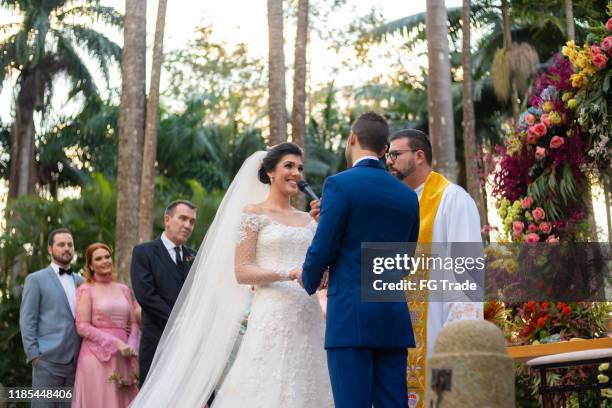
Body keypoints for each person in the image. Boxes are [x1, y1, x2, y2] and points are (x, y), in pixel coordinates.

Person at [130, 143, 333, 407]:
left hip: (309, 314)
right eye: (289, 166)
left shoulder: (309, 220)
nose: (297, 173)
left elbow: (318, 264)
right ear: (270, 172)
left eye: (300, 168)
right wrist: (289, 272)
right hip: (272, 313)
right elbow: (243, 271)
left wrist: (324, 263)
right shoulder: (254, 213)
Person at [299, 112, 420, 408]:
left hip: (351, 319)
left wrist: (310, 277)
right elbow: (405, 259)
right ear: (383, 150)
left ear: (352, 137)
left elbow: (322, 247)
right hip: (391, 317)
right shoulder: (407, 196)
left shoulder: (340, 185)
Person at [386, 129, 483, 407]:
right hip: (397, 334)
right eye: (387, 155)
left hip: (439, 328)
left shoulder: (452, 199)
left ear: (419, 156)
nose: (389, 161)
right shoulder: (393, 206)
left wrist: (459, 340)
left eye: (395, 154)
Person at [130, 199, 197, 387]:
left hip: (188, 345)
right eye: (183, 218)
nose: (187, 225)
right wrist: (178, 322)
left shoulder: (195, 256)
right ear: (167, 219)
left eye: (192, 221)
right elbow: (146, 296)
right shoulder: (143, 252)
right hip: (156, 342)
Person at [19, 228, 84, 408]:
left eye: (70, 245)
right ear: (50, 249)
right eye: (61, 244)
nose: (66, 248)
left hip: (75, 361)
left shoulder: (81, 282)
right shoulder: (36, 280)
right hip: (47, 361)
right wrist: (34, 356)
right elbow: (27, 320)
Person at [72, 243, 139, 408]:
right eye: (99, 258)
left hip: (124, 358)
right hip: (96, 359)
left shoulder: (123, 289)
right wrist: (117, 344)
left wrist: (131, 347)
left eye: (107, 257)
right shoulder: (86, 289)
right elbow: (82, 326)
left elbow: (134, 324)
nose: (104, 261)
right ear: (90, 265)